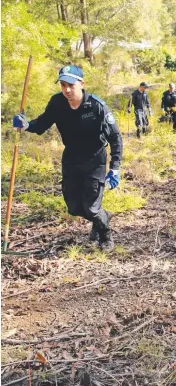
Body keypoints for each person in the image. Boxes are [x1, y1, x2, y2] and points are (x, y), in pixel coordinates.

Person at [13, 65, 123, 252]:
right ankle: (102, 216)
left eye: (71, 85)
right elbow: (41, 124)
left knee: (91, 207)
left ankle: (105, 236)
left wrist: (115, 167)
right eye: (63, 85)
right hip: (71, 158)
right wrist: (25, 125)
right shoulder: (57, 103)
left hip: (95, 159)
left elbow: (115, 138)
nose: (67, 90)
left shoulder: (97, 106)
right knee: (73, 208)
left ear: (82, 83)